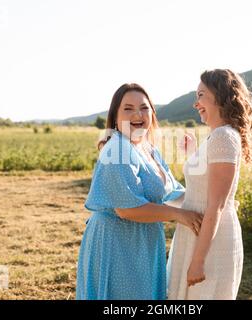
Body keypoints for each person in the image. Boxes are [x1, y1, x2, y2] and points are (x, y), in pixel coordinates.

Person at [76, 83, 203, 300]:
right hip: (117, 245)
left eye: (144, 108)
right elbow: (127, 209)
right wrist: (179, 216)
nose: (137, 114)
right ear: (115, 117)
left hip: (144, 243)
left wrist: (209, 200)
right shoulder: (116, 148)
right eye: (128, 108)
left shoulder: (148, 149)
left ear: (152, 114)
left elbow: (172, 193)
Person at [167, 69, 252, 299]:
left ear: (220, 95)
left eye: (200, 95)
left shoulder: (223, 137)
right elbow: (205, 186)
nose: (196, 104)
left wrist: (198, 261)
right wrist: (194, 153)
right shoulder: (217, 136)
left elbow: (216, 204)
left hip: (209, 244)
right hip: (199, 235)